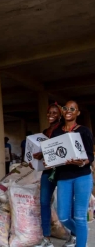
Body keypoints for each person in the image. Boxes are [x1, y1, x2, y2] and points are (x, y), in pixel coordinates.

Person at [52, 100, 93, 247]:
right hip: (64, 178)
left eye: (72, 108)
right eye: (65, 108)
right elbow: (53, 155)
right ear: (62, 111)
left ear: (78, 113)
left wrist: (81, 162)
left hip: (83, 176)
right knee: (63, 217)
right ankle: (82, 233)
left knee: (80, 217)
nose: (68, 110)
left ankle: (81, 243)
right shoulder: (57, 132)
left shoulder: (84, 131)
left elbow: (90, 156)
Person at [33, 102, 62, 247]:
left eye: (54, 113)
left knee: (65, 205)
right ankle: (47, 238)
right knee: (44, 203)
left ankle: (74, 235)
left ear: (60, 115)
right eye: (49, 112)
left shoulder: (63, 130)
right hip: (48, 171)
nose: (51, 115)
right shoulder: (45, 132)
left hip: (63, 171)